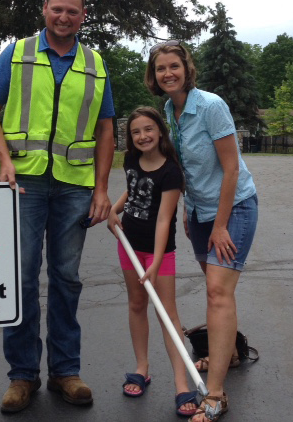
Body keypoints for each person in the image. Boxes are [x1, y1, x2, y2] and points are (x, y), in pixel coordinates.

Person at [0, 0, 115, 413]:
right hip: (24, 182)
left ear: (83, 15)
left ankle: (65, 372)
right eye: (57, 9)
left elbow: (106, 128)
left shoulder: (95, 63)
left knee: (66, 279)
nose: (64, 18)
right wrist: (2, 158)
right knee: (19, 280)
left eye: (72, 12)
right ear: (45, 9)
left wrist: (102, 187)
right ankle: (22, 377)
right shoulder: (17, 53)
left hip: (75, 186)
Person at [145, 41, 258, 422]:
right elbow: (181, 169)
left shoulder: (210, 106)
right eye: (161, 69)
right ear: (155, 76)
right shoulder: (168, 111)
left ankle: (216, 393)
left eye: (174, 66)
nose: (168, 74)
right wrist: (188, 210)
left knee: (217, 292)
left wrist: (221, 224)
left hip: (234, 208)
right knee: (216, 287)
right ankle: (235, 352)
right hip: (199, 213)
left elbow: (231, 169)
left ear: (186, 67)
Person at [107, 107, 199, 417]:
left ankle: (181, 383)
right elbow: (133, 192)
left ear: (159, 131)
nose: (143, 136)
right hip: (129, 246)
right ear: (130, 137)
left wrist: (157, 260)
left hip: (159, 252)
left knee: (167, 314)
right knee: (136, 305)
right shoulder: (131, 159)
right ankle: (142, 368)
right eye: (136, 132)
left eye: (148, 129)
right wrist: (114, 211)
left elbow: (163, 218)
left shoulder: (171, 171)